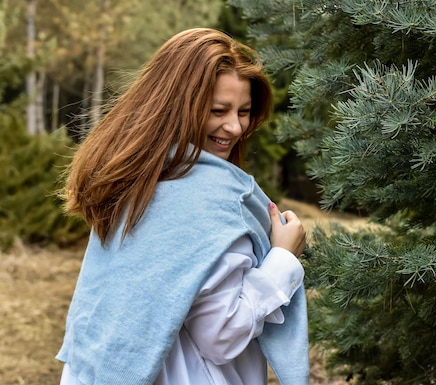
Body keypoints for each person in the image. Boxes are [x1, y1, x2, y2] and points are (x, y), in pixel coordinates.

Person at [56, 28, 310, 385]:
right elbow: (222, 335)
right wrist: (283, 258)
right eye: (218, 110)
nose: (235, 127)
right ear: (177, 107)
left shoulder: (135, 179)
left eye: (245, 112)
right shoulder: (210, 202)